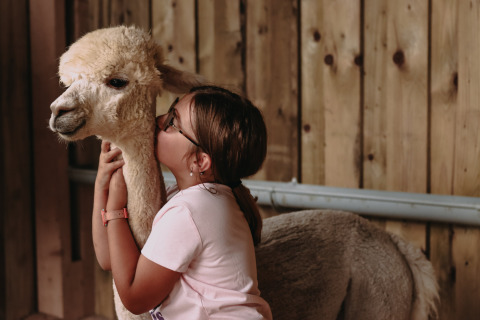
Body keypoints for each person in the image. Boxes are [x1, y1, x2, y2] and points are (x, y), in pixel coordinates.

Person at [92, 86, 272, 319]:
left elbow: (135, 299)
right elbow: (109, 259)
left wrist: (116, 207)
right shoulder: (192, 198)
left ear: (200, 161)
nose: (157, 121)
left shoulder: (191, 211)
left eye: (171, 123)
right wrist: (102, 185)